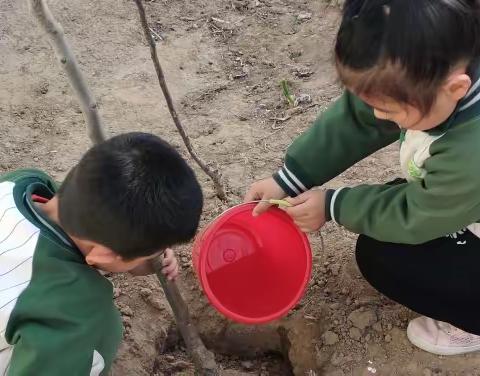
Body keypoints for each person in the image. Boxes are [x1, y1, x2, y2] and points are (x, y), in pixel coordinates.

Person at [245, 0, 480, 356]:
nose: (377, 114)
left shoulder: (471, 151)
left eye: (389, 110)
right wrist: (291, 177)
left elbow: (416, 216)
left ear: (456, 89)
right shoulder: (432, 62)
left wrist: (333, 205)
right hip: (465, 196)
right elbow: (361, 118)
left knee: (386, 256)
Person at [0, 132, 203, 375]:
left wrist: (136, 256)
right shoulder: (73, 317)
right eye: (152, 252)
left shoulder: (20, 183)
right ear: (104, 256)